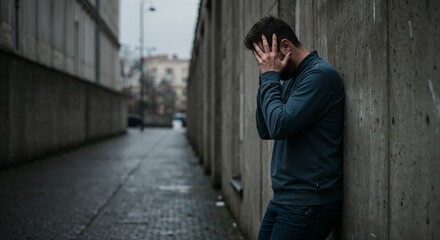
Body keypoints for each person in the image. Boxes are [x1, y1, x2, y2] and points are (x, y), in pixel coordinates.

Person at [243, 16, 345, 240]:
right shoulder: (289, 79)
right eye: (261, 60)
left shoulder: (319, 76)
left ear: (286, 46)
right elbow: (266, 129)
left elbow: (280, 125)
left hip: (308, 203)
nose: (263, 64)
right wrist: (266, 79)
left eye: (266, 57)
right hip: (285, 199)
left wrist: (270, 77)